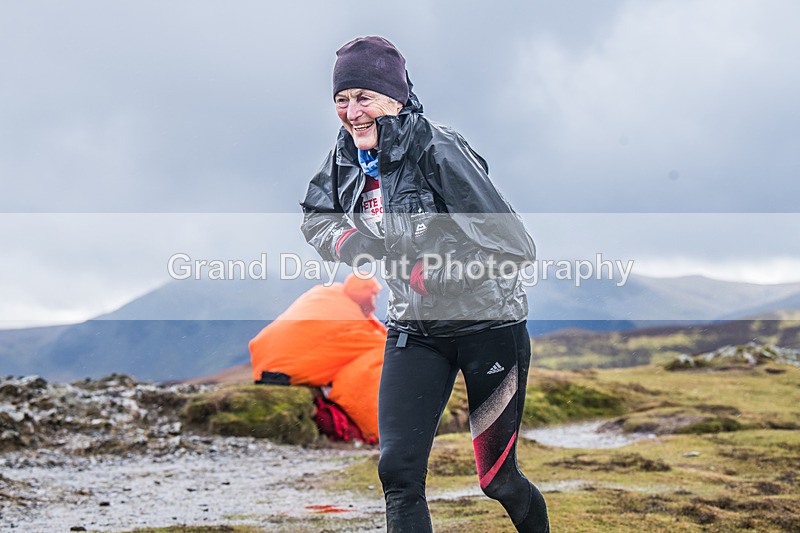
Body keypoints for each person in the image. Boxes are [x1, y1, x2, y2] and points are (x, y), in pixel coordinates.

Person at [300, 36, 550, 533]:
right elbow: (315, 216)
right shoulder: (346, 154)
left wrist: (433, 272)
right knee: (397, 473)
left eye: (364, 98)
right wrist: (353, 244)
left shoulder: (437, 148)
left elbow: (515, 247)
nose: (352, 113)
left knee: (498, 480)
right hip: (414, 330)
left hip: (488, 327)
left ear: (395, 98)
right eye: (341, 100)